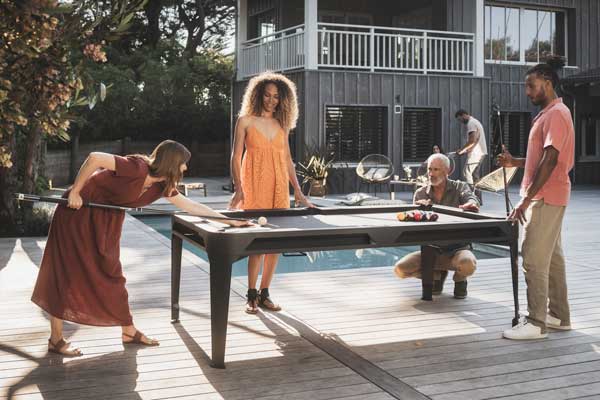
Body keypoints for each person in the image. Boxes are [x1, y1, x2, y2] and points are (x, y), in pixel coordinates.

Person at [31, 140, 248, 356]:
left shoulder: (162, 186)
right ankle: (56, 339)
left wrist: (230, 221)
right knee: (66, 273)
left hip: (105, 221)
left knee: (112, 273)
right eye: (183, 163)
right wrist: (75, 192)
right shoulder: (136, 168)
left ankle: (128, 331)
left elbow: (193, 206)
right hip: (77, 212)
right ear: (172, 163)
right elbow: (95, 158)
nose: (185, 168)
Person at [500, 56, 574, 340]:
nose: (527, 92)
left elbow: (551, 160)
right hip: (548, 195)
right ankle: (558, 316)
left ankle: (535, 322)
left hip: (545, 197)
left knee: (532, 257)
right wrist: (514, 162)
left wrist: (526, 200)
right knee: (552, 258)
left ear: (548, 82)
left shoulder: (556, 114)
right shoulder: (549, 114)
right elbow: (542, 158)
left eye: (531, 86)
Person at [229, 72, 313, 314]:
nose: (271, 100)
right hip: (254, 185)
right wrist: (239, 188)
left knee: (275, 243)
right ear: (258, 95)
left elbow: (287, 159)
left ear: (282, 99)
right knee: (257, 241)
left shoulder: (281, 124)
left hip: (278, 187)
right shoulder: (245, 121)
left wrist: (298, 191)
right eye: (267, 95)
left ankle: (265, 293)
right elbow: (235, 156)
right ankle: (251, 294)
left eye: (276, 96)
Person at [394, 153, 480, 299]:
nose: (431, 174)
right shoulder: (421, 194)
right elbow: (414, 226)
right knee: (400, 270)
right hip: (430, 252)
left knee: (468, 264)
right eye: (429, 169)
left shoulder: (460, 187)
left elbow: (471, 198)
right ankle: (436, 275)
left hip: (457, 251)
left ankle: (460, 279)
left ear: (447, 171)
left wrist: (471, 204)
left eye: (436, 169)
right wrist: (420, 211)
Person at [455, 109, 488, 189]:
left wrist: (462, 150)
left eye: (460, 119)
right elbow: (476, 140)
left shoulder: (471, 123)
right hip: (480, 152)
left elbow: (472, 140)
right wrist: (466, 150)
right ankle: (477, 195)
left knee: (467, 172)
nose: (460, 122)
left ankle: (470, 194)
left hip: (476, 153)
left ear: (463, 115)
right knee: (474, 175)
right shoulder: (475, 121)